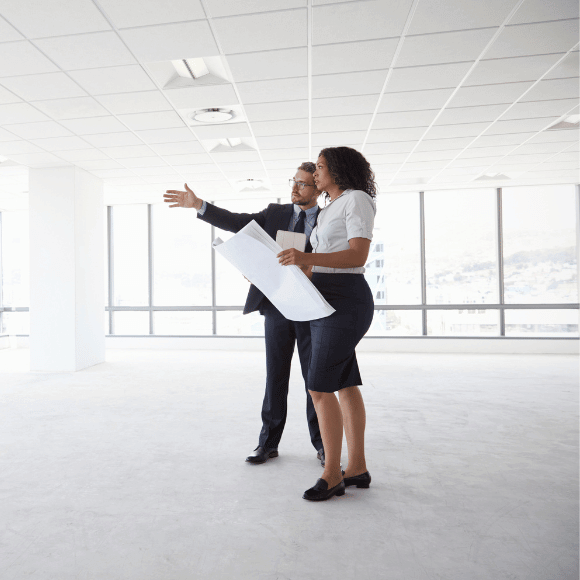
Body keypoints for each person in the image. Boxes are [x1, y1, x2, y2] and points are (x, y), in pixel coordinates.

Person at [163, 163, 329, 466]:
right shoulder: (275, 213)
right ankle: (268, 443)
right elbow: (235, 222)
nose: (295, 188)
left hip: (310, 308)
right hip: (276, 306)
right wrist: (199, 205)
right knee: (275, 376)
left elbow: (331, 258)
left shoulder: (327, 219)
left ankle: (323, 446)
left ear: (318, 188)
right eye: (293, 181)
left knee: (314, 380)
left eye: (303, 184)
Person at [277, 146, 377, 501]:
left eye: (320, 167)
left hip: (346, 299)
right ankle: (358, 468)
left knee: (318, 387)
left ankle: (332, 474)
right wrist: (288, 269)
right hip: (322, 298)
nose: (315, 173)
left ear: (338, 169)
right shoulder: (328, 208)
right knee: (344, 383)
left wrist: (307, 257)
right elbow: (318, 263)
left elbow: (357, 254)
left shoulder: (356, 200)